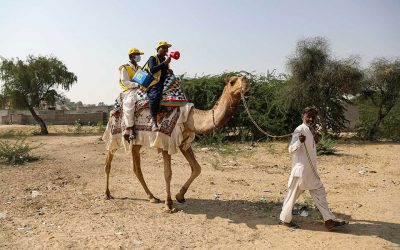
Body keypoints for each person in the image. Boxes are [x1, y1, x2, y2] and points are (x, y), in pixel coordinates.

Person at [279, 107, 347, 230]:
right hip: (301, 171)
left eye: (313, 117)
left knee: (316, 191)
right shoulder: (299, 129)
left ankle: (328, 220)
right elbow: (290, 149)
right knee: (294, 195)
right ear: (302, 116)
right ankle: (286, 220)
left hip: (309, 171)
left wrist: (315, 138)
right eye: (308, 116)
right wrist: (299, 142)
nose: (310, 119)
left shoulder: (310, 130)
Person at [144, 40, 172, 131]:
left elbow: (164, 71)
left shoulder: (164, 59)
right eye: (163, 47)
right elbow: (152, 70)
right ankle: (154, 122)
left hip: (164, 84)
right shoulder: (153, 58)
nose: (166, 49)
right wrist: (164, 64)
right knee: (155, 96)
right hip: (153, 84)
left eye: (166, 48)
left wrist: (169, 70)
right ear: (158, 49)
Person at [119, 47, 144, 141]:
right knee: (129, 103)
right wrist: (137, 84)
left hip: (141, 89)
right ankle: (129, 128)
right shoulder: (124, 68)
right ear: (132, 56)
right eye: (138, 55)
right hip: (129, 90)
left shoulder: (140, 68)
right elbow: (125, 82)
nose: (139, 57)